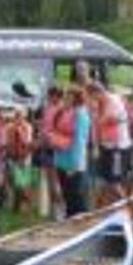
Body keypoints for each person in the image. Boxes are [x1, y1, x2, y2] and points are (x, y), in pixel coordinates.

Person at [88, 80, 133, 210]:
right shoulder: (97, 105)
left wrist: (94, 111)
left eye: (91, 96)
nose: (90, 100)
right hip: (106, 146)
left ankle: (128, 209)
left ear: (98, 93)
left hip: (118, 147)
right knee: (106, 180)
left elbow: (105, 120)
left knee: (114, 182)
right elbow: (95, 127)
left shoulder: (114, 102)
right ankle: (105, 210)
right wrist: (96, 146)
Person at [52, 85, 92, 218]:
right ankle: (70, 221)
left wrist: (75, 165)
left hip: (73, 161)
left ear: (77, 99)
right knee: (68, 195)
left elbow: (80, 140)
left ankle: (83, 224)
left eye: (70, 96)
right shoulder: (66, 112)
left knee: (76, 196)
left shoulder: (80, 114)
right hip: (62, 159)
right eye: (66, 96)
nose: (66, 98)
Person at [35, 85, 64, 218]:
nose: (48, 98)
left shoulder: (61, 110)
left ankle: (59, 210)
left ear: (56, 96)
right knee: (50, 181)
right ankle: (54, 210)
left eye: (50, 96)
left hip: (55, 148)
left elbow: (54, 130)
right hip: (46, 147)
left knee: (56, 181)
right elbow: (43, 128)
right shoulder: (48, 109)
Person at [3, 106, 37, 215]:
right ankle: (19, 203)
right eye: (16, 115)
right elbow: (5, 142)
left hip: (24, 157)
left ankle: (24, 204)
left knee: (23, 182)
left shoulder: (28, 127)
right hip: (12, 157)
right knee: (14, 182)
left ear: (24, 116)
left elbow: (28, 142)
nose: (18, 117)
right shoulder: (8, 127)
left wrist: (25, 156)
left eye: (20, 115)